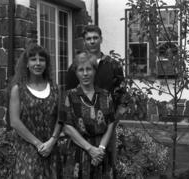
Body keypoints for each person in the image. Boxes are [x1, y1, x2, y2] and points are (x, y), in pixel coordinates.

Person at [65, 25, 126, 178]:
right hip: (81, 131)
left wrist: (112, 123)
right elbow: (69, 96)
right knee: (80, 169)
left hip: (106, 128)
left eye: (95, 38)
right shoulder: (75, 66)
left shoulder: (113, 65)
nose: (92, 41)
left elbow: (122, 96)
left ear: (101, 39)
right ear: (84, 42)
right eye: (88, 39)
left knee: (107, 165)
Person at [9, 43, 62, 179]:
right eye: (33, 59)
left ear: (46, 64)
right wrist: (38, 144)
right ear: (26, 63)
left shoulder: (55, 89)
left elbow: (60, 117)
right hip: (27, 150)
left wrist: (52, 141)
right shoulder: (18, 89)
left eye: (42, 60)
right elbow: (14, 122)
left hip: (51, 150)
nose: (37, 63)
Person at [60, 51, 116, 178]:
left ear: (95, 71)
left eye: (89, 69)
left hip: (102, 154)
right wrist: (91, 149)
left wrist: (100, 149)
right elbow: (67, 127)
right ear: (76, 73)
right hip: (78, 153)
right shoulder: (70, 95)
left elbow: (111, 122)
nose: (85, 73)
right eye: (81, 70)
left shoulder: (105, 95)